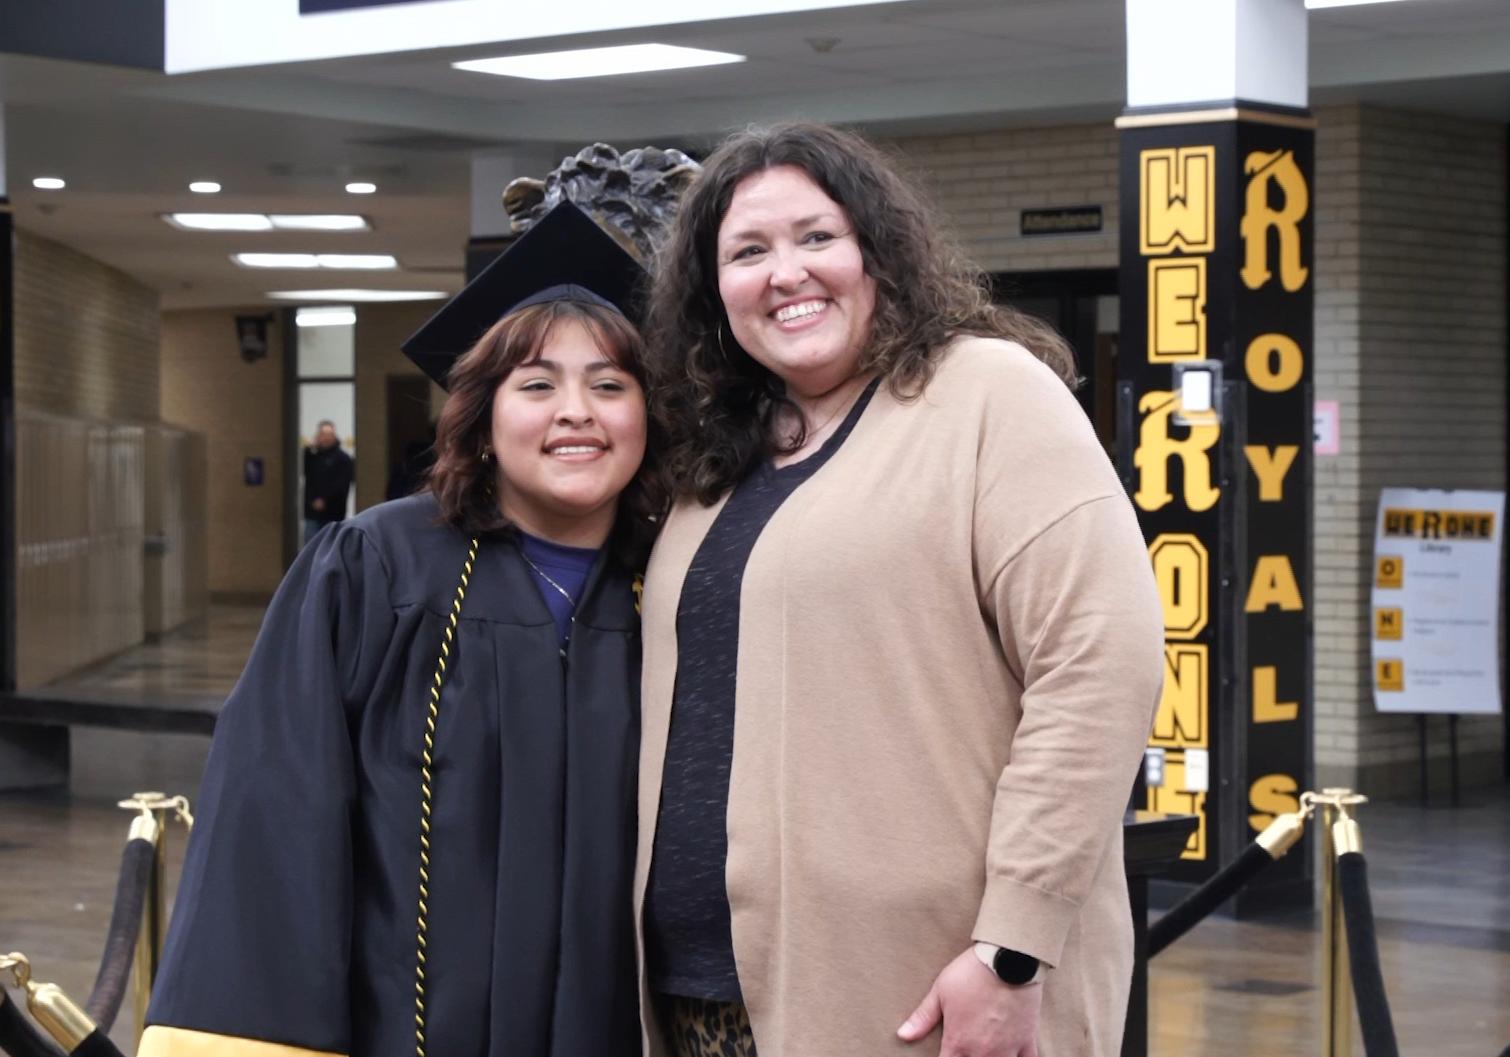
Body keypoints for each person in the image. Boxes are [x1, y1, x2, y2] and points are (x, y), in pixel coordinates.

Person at [637, 122, 1163, 1057]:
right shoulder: (720, 454)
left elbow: (1099, 667)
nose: (784, 272)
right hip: (706, 994)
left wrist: (1012, 949)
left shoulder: (989, 396)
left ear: (876, 250)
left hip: (926, 989)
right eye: (747, 251)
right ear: (715, 293)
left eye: (815, 237)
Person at [141, 201, 666, 1057]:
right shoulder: (374, 567)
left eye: (611, 384)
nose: (578, 410)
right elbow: (277, 809)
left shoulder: (677, 584)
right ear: (483, 420)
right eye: (536, 384)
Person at [302, 420, 354, 542]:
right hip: (312, 512)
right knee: (311, 546)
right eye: (321, 434)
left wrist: (325, 500)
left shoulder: (343, 459)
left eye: (328, 434)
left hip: (333, 512)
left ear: (334, 436)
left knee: (330, 545)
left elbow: (341, 484)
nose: (324, 438)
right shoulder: (312, 457)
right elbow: (306, 475)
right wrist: (310, 448)